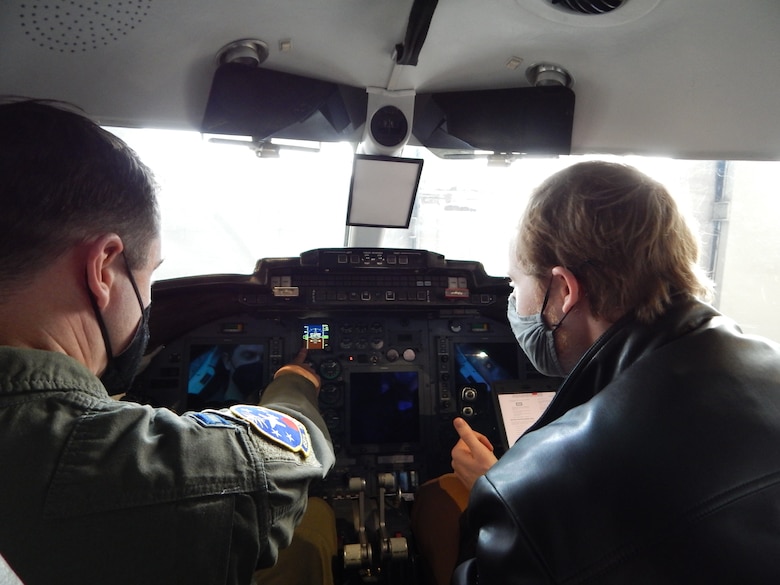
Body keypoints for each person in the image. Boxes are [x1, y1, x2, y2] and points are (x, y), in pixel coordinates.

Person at [0, 99, 335, 585]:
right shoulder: (98, 463)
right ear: (103, 268)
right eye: (149, 275)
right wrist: (295, 381)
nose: (148, 299)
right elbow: (286, 458)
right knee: (314, 526)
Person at [417, 160, 780, 585]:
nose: (514, 302)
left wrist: (493, 489)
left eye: (516, 285)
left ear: (565, 291)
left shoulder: (533, 496)